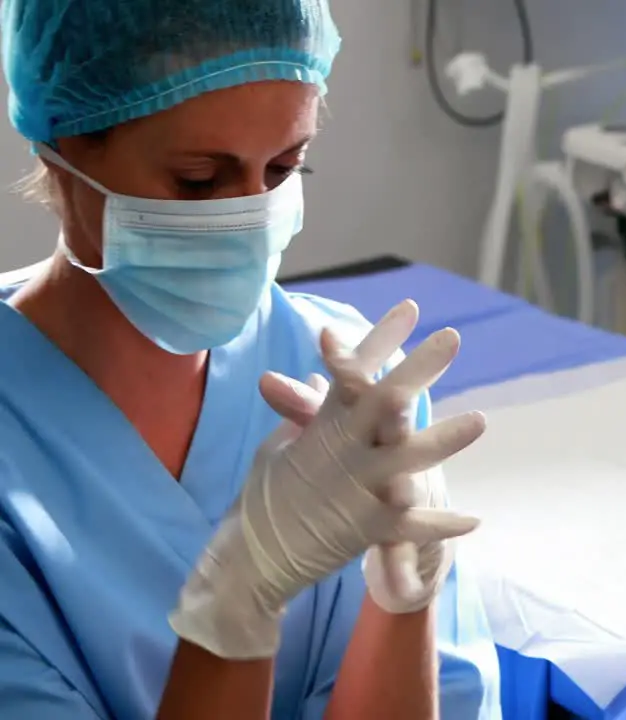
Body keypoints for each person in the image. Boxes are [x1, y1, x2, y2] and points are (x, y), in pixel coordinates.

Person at [0, 1, 502, 718]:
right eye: (200, 180)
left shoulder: (350, 376)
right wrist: (236, 605)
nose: (249, 219)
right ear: (64, 144)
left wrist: (404, 605)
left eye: (283, 169)